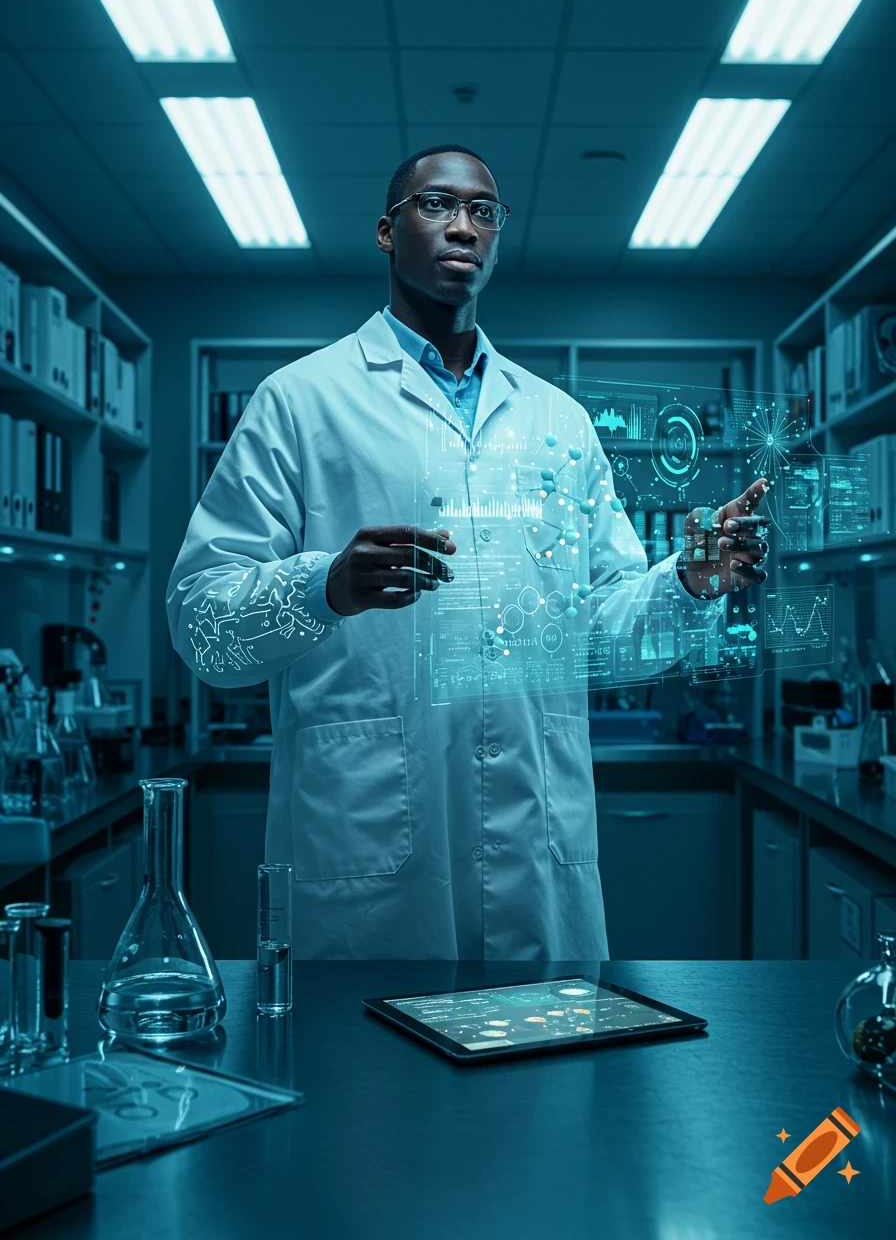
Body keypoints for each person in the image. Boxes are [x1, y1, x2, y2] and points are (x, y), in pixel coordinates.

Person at [167, 144, 769, 960]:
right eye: (436, 205)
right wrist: (327, 587)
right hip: (367, 864)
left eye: (484, 211)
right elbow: (201, 626)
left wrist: (689, 580)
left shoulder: (558, 422)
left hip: (537, 854)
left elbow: (605, 632)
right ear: (387, 231)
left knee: (546, 1077)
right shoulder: (301, 403)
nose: (464, 226)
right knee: (369, 1081)